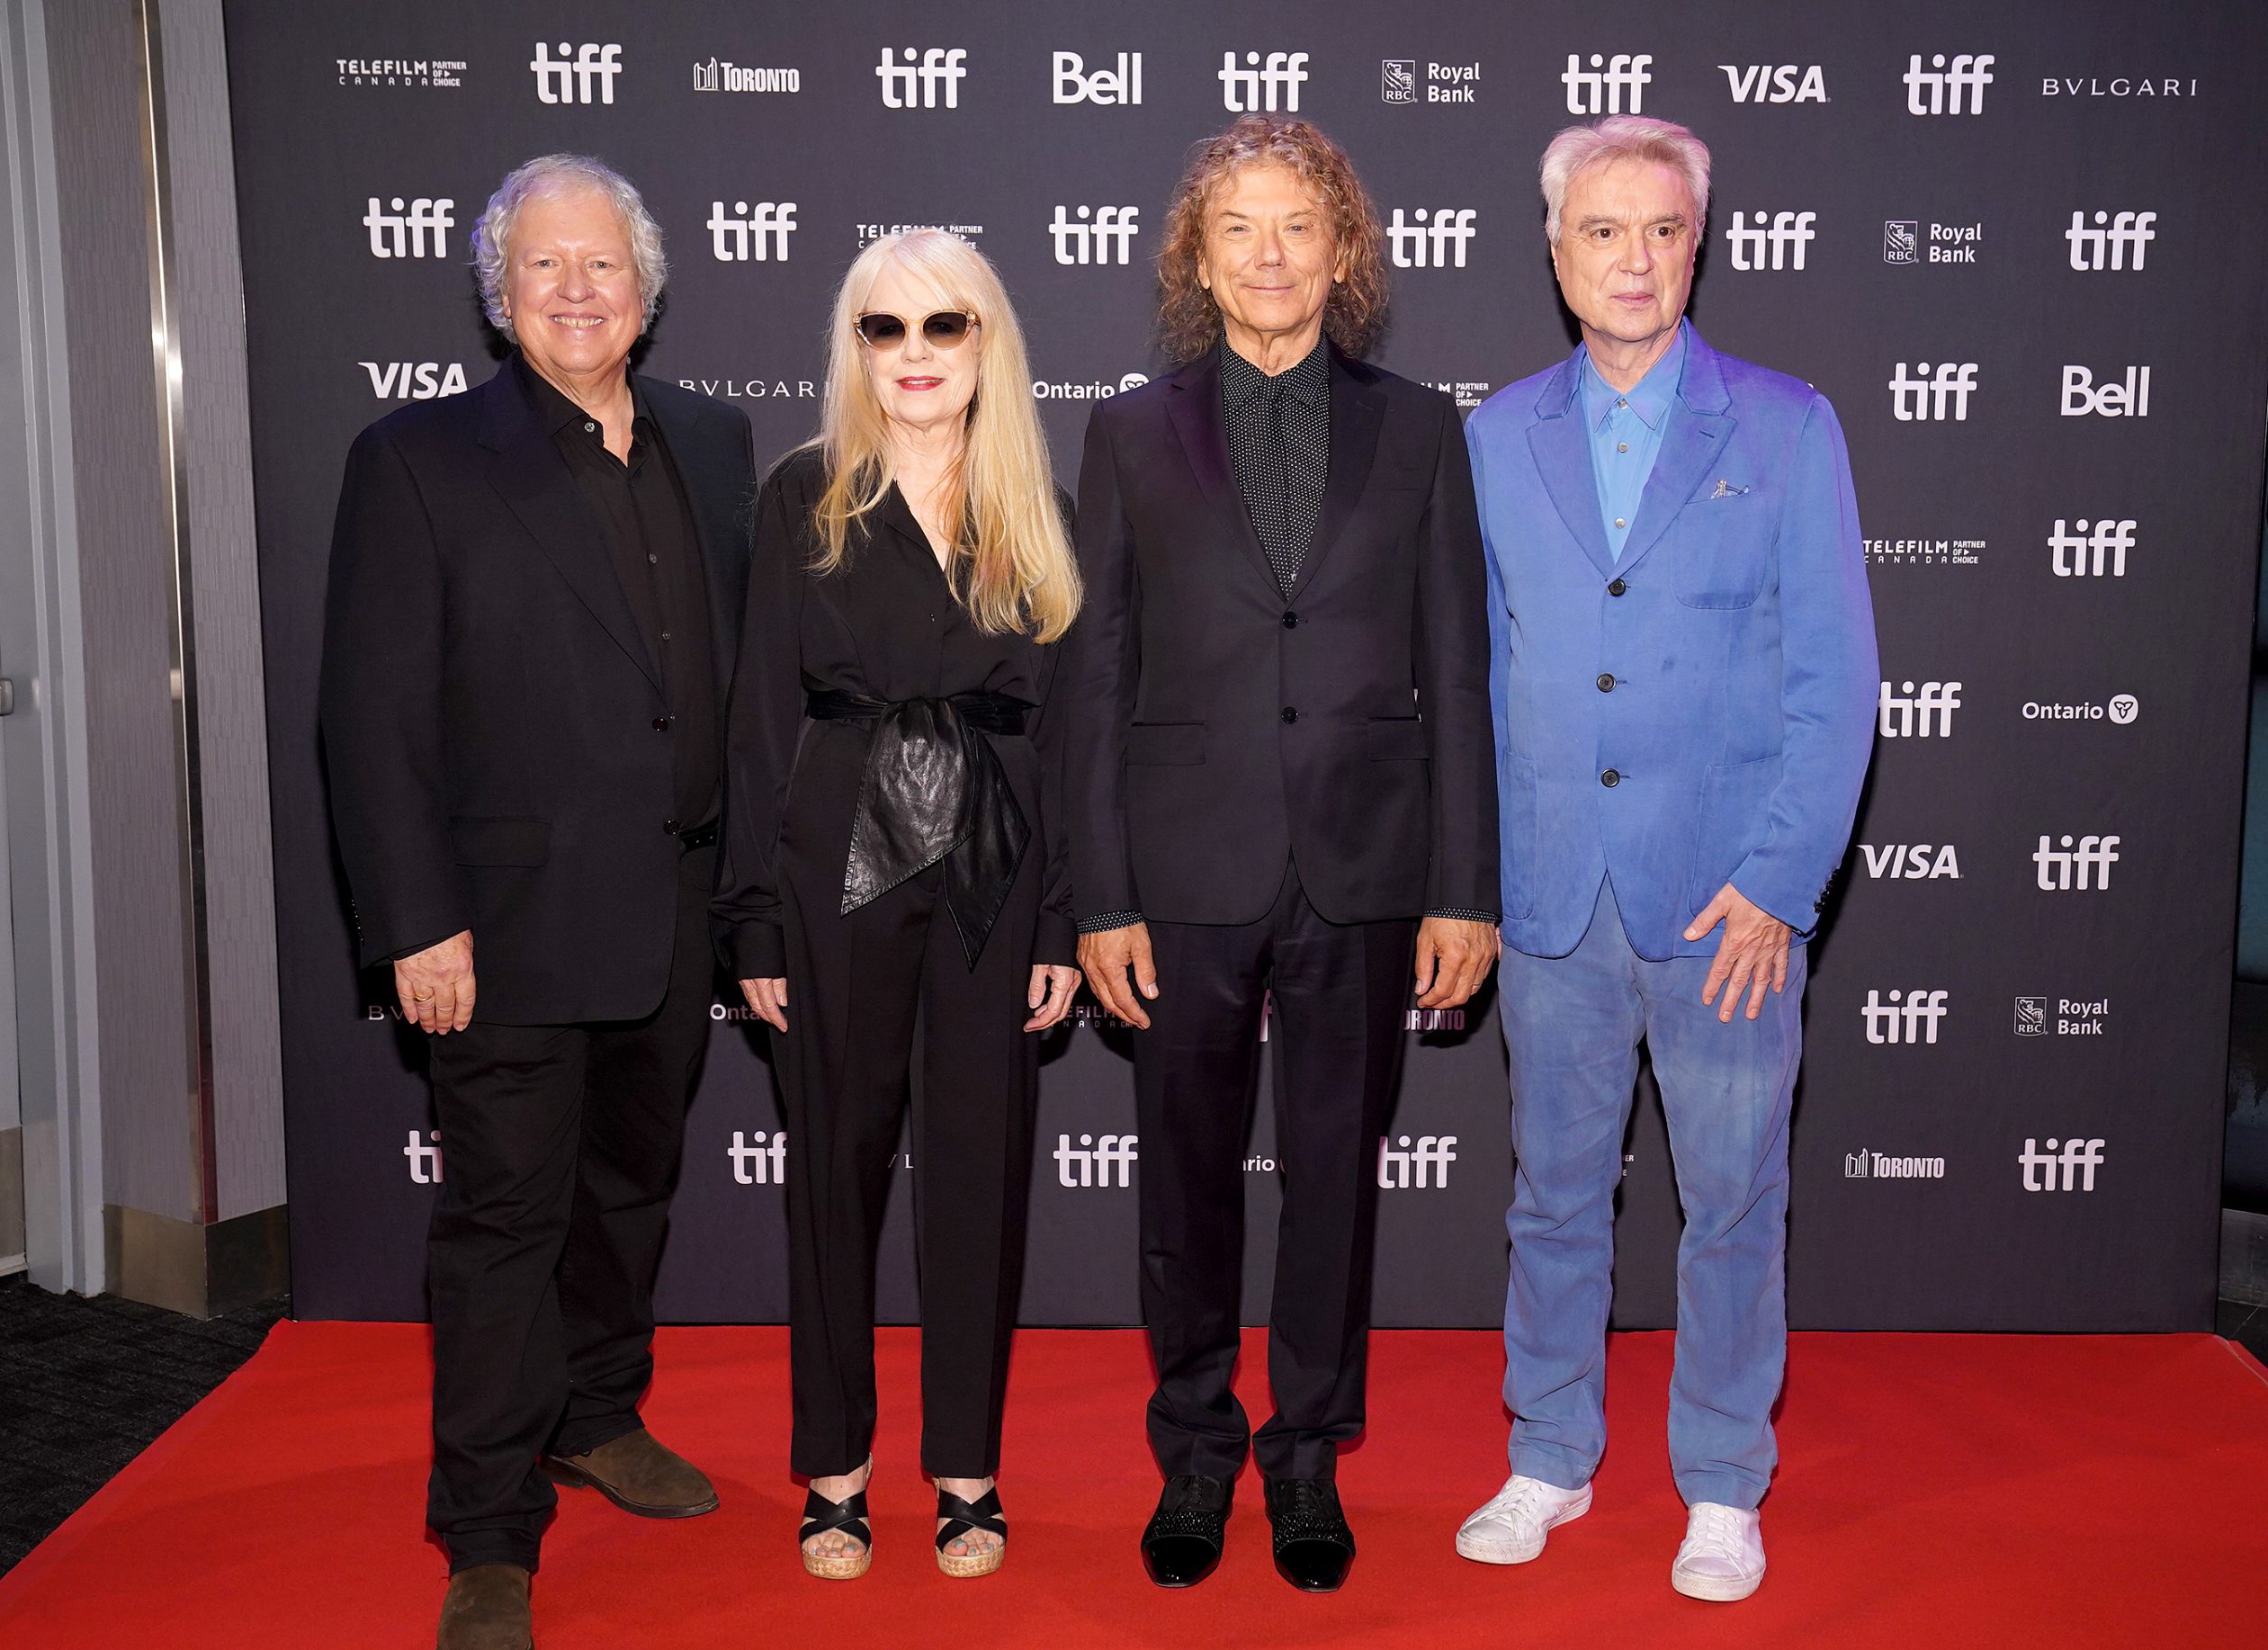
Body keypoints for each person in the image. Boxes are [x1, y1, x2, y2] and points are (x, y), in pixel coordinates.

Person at [319, 154, 755, 1649]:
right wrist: (412, 922)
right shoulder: (420, 459)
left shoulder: (714, 441)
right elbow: (369, 717)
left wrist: (746, 909)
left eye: (603, 267)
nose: (577, 292)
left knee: (630, 1191)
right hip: (495, 931)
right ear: (500, 300)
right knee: (507, 1222)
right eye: (543, 270)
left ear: (647, 288)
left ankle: (598, 1415)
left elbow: (736, 697)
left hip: (674, 910)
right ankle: (490, 1526)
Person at [1065, 117, 1497, 1593]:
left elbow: (1460, 668)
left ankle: (1306, 1455)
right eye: (1237, 226)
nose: (1268, 254)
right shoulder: (1128, 432)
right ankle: (1196, 1448)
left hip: (1368, 867)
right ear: (1196, 253)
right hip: (1183, 870)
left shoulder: (1424, 427)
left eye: (1298, 225)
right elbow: (1096, 674)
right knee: (1184, 1178)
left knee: (1333, 1177)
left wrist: (1464, 884)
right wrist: (1100, 893)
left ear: (1344, 252)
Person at [1454, 115, 1878, 1602]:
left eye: (1661, 230)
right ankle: (1550, 1454)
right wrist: (1482, 879)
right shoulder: (1494, 436)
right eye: (1602, 232)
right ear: (1556, 251)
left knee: (1733, 1199)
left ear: (1699, 243)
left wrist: (1779, 882)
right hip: (1554, 894)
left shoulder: (1788, 425)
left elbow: (1837, 683)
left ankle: (1719, 1481)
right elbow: (1471, 681)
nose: (1633, 259)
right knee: (1552, 1195)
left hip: (1727, 904)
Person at [717, 229, 1084, 1583]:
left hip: (996, 867)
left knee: (982, 1176)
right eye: (887, 328)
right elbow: (758, 715)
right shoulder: (803, 495)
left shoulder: (1036, 501)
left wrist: (1061, 919)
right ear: (854, 347)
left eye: (946, 325)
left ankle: (969, 1471)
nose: (918, 353)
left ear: (988, 342)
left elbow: (1075, 729)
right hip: (834, 876)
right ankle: (834, 1468)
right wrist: (750, 916)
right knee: (833, 1174)